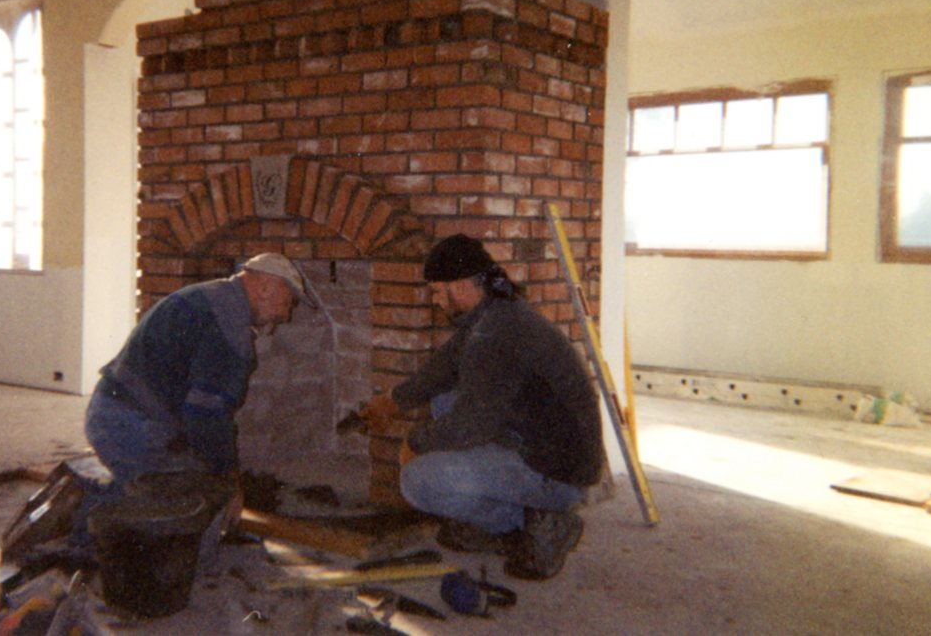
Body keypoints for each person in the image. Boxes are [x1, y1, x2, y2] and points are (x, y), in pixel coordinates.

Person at [359, 234, 604, 580]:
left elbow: (471, 426)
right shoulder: (495, 313)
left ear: (460, 286)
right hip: (548, 445)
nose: (434, 301)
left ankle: (533, 524)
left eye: (437, 291)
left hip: (558, 472)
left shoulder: (493, 334)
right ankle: (504, 517)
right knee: (446, 397)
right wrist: (393, 402)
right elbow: (445, 366)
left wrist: (415, 441)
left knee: (417, 480)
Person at [77, 252, 306, 560]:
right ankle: (146, 560)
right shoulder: (230, 329)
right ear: (265, 287)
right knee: (196, 499)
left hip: (112, 412)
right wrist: (229, 483)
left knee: (162, 481)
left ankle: (85, 518)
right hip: (128, 426)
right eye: (288, 301)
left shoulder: (212, 296)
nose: (286, 315)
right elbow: (207, 417)